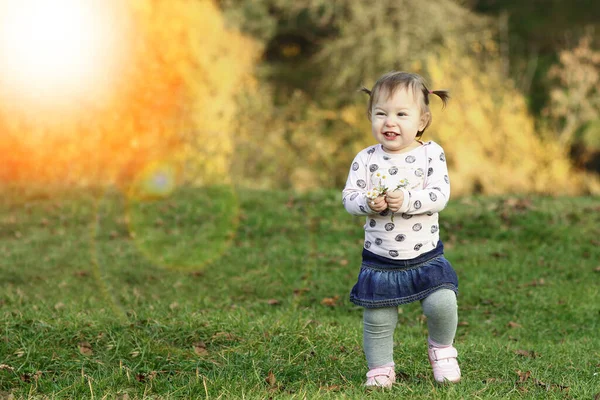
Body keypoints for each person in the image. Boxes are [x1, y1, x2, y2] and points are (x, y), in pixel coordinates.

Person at [342, 71, 460, 387]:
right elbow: (349, 198)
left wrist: (407, 199)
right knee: (378, 318)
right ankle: (380, 369)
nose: (389, 122)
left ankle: (443, 350)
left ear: (422, 120)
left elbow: (440, 195)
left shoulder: (430, 153)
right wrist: (369, 204)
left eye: (401, 114)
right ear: (370, 117)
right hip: (380, 260)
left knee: (442, 303)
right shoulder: (365, 159)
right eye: (381, 113)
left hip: (425, 256)